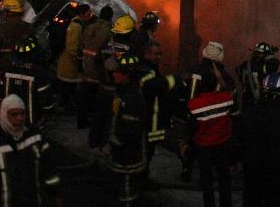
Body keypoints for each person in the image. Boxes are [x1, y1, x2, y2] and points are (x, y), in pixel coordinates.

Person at [0, 94, 62, 206]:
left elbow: (48, 169)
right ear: (3, 114)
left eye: (22, 113)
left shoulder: (35, 137)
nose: (20, 118)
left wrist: (56, 195)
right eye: (14, 114)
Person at [240, 72, 280, 207]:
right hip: (276, 169)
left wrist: (235, 160)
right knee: (274, 200)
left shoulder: (251, 111)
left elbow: (241, 138)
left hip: (252, 166)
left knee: (251, 199)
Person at [187, 41, 235, 207]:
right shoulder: (225, 76)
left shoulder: (197, 72)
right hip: (222, 135)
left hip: (203, 135)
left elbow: (191, 99)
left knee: (206, 178)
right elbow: (232, 104)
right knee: (224, 178)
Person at [98, 54, 147, 206]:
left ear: (127, 74)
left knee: (127, 194)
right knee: (115, 190)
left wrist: (111, 145)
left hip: (127, 156)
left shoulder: (132, 99)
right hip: (119, 154)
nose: (114, 73)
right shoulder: (123, 91)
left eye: (117, 71)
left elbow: (129, 132)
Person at [138, 40, 179, 187]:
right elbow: (154, 85)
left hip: (153, 118)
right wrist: (175, 79)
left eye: (159, 54)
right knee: (145, 150)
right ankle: (141, 180)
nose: (158, 57)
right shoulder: (144, 70)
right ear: (146, 53)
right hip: (147, 118)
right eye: (155, 54)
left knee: (149, 148)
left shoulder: (151, 68)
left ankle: (143, 177)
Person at [0, 34, 53, 126]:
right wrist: (48, 110)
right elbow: (45, 97)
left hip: (9, 119)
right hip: (32, 121)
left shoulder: (6, 68)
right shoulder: (38, 72)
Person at [78, 5, 113, 129]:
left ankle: (81, 121)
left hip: (85, 66)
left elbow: (81, 44)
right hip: (98, 69)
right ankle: (94, 123)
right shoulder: (109, 31)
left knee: (84, 95)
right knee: (97, 98)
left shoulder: (89, 27)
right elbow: (108, 51)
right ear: (110, 17)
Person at [56, 4, 93, 111]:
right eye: (88, 13)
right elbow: (71, 46)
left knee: (68, 85)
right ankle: (66, 105)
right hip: (70, 62)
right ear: (82, 14)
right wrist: (79, 57)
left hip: (69, 61)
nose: (90, 15)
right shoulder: (76, 26)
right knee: (68, 86)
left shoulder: (77, 24)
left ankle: (66, 103)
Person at [0, 0, 33, 77]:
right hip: (23, 70)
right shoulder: (29, 28)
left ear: (8, 13)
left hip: (4, 68)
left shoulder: (3, 28)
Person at [235, 42, 278, 111]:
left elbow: (238, 71)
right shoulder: (264, 66)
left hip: (247, 102)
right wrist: (271, 53)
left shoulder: (245, 65)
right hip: (260, 103)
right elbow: (275, 63)